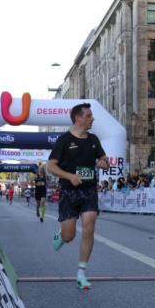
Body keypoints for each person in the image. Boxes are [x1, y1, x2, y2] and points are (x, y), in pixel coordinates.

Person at [47, 102, 110, 290]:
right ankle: (62, 235)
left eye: (91, 115)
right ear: (78, 118)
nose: (92, 119)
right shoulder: (64, 140)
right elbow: (51, 166)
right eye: (89, 116)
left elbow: (104, 159)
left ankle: (81, 273)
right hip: (68, 191)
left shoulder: (93, 139)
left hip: (89, 190)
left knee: (89, 227)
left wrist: (103, 163)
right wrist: (69, 176)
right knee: (69, 236)